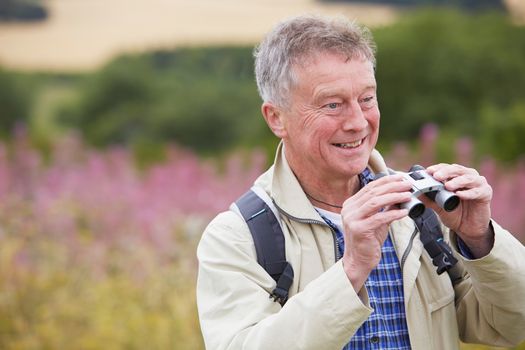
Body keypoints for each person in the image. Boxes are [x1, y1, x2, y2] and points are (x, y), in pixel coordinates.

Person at [196, 15, 525, 350]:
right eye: (333, 105)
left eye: (367, 99)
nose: (357, 122)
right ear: (277, 118)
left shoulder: (424, 208)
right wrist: (351, 271)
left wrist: (481, 240)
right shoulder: (236, 237)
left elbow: (511, 326)